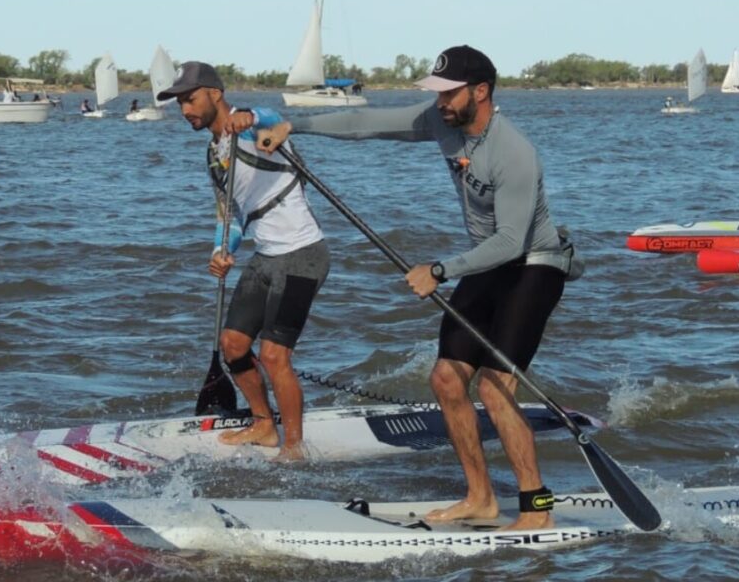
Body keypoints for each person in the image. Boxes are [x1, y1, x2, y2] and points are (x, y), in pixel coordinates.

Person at [258, 45, 572, 531]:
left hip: (534, 265)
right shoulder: (441, 123)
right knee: (447, 379)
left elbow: (511, 241)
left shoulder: (514, 153)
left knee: (493, 386)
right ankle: (481, 498)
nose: (440, 101)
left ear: (481, 91)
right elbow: (368, 124)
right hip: (486, 263)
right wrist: (294, 127)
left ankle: (536, 509)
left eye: (449, 93)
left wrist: (441, 270)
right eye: (437, 92)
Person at [158, 61, 329, 461]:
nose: (185, 110)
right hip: (266, 256)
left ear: (214, 94)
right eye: (180, 103)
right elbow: (229, 215)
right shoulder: (213, 153)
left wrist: (251, 117)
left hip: (303, 255)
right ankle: (264, 425)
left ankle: (294, 447)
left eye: (190, 99)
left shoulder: (252, 125)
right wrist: (221, 250)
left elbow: (276, 120)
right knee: (233, 345)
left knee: (273, 355)